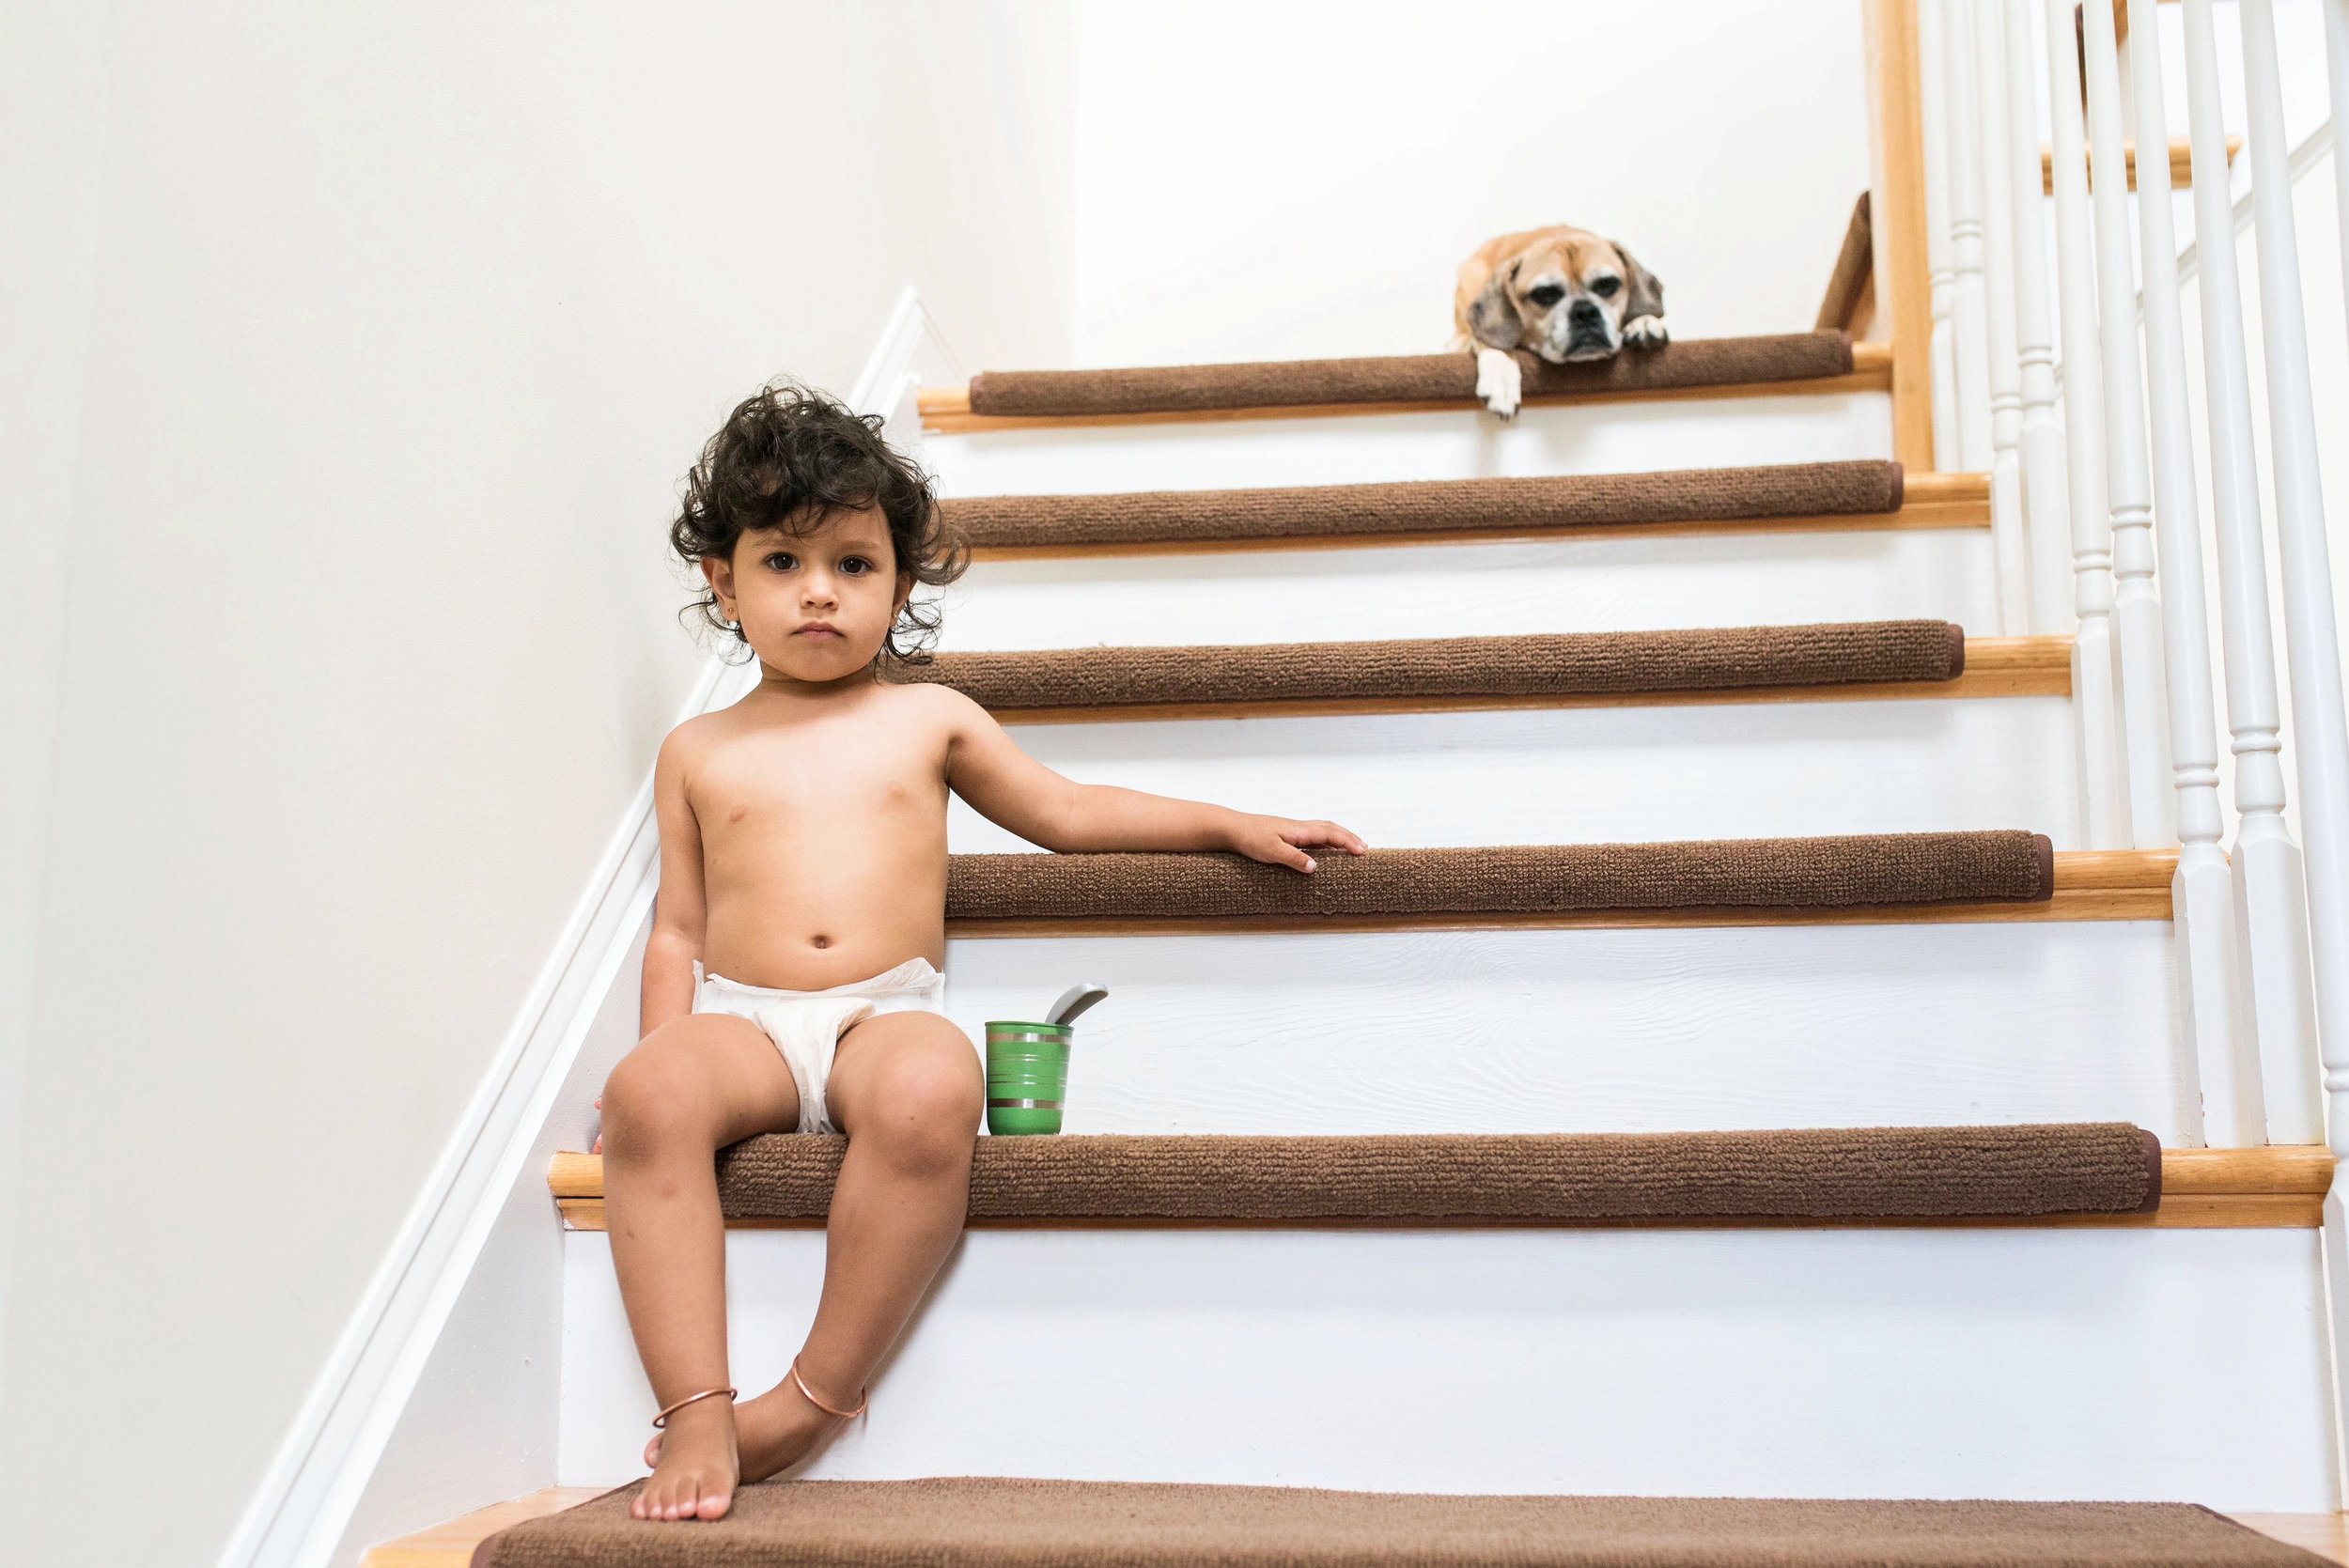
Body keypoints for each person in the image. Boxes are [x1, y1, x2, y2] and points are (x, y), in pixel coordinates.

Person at [599, 381, 1366, 1522]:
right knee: (645, 1089)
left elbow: (1066, 811)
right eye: (782, 563)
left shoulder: (931, 718)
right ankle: (697, 1406)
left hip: (877, 1009)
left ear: (900, 584)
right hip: (742, 1015)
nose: (820, 592)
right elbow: (680, 928)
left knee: (933, 1083)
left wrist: (1221, 822)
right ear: (724, 579)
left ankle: (816, 1393)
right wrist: (661, 1062)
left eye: (855, 565)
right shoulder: (697, 749)